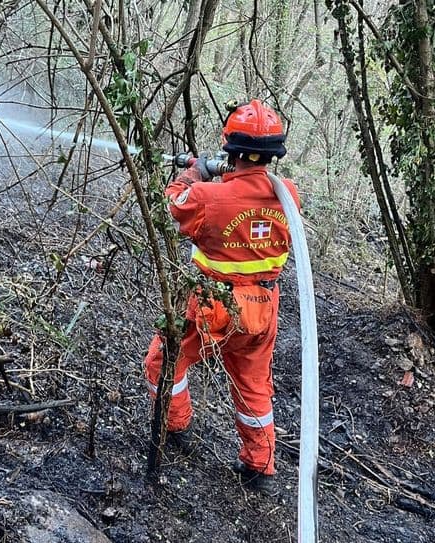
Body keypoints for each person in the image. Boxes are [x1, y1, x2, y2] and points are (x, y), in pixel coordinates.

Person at [144, 99, 300, 495]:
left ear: (230, 147)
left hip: (213, 305)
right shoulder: (289, 197)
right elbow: (251, 196)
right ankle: (260, 466)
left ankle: (175, 427)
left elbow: (172, 206)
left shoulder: (207, 197)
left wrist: (193, 172)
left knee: (164, 360)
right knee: (253, 387)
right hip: (263, 311)